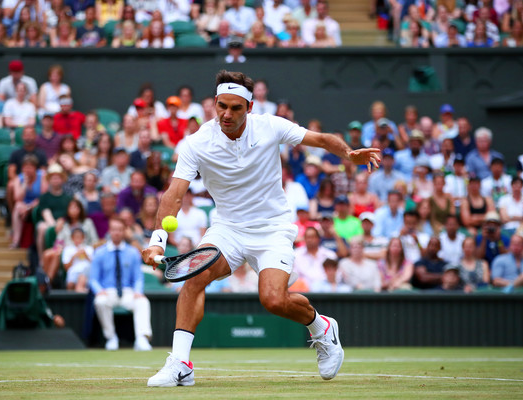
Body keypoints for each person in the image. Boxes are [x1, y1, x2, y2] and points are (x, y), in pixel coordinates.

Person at [142, 70, 380, 387]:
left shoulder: (270, 126)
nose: (227, 114)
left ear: (249, 108)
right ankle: (181, 363)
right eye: (221, 106)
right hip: (227, 228)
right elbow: (173, 194)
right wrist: (158, 240)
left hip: (272, 229)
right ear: (214, 103)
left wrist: (348, 154)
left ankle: (321, 326)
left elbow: (320, 140)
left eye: (236, 108)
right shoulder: (196, 144)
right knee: (195, 276)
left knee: (273, 300)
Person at [90, 217, 153, 351]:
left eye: (120, 230)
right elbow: (93, 279)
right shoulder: (99, 253)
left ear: (124, 231)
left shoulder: (133, 253)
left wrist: (138, 291)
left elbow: (138, 277)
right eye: (114, 230)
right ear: (109, 231)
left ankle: (142, 339)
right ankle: (111, 338)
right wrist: (99, 290)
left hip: (127, 292)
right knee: (100, 301)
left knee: (143, 302)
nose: (117, 233)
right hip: (108, 292)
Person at [10, 154, 46, 248]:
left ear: (35, 168)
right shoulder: (19, 178)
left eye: (30, 167)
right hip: (23, 207)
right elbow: (17, 198)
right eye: (26, 168)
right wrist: (25, 184)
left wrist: (29, 207)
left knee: (23, 207)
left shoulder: (42, 176)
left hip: (37, 206)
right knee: (18, 206)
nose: (28, 170)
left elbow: (43, 196)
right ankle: (16, 241)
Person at [62, 227, 94, 292]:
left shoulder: (89, 249)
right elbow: (66, 267)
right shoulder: (67, 249)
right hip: (72, 274)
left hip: (87, 273)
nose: (78, 239)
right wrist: (74, 256)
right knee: (70, 285)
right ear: (72, 238)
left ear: (83, 237)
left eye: (80, 237)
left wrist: (86, 256)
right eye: (76, 237)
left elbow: (94, 265)